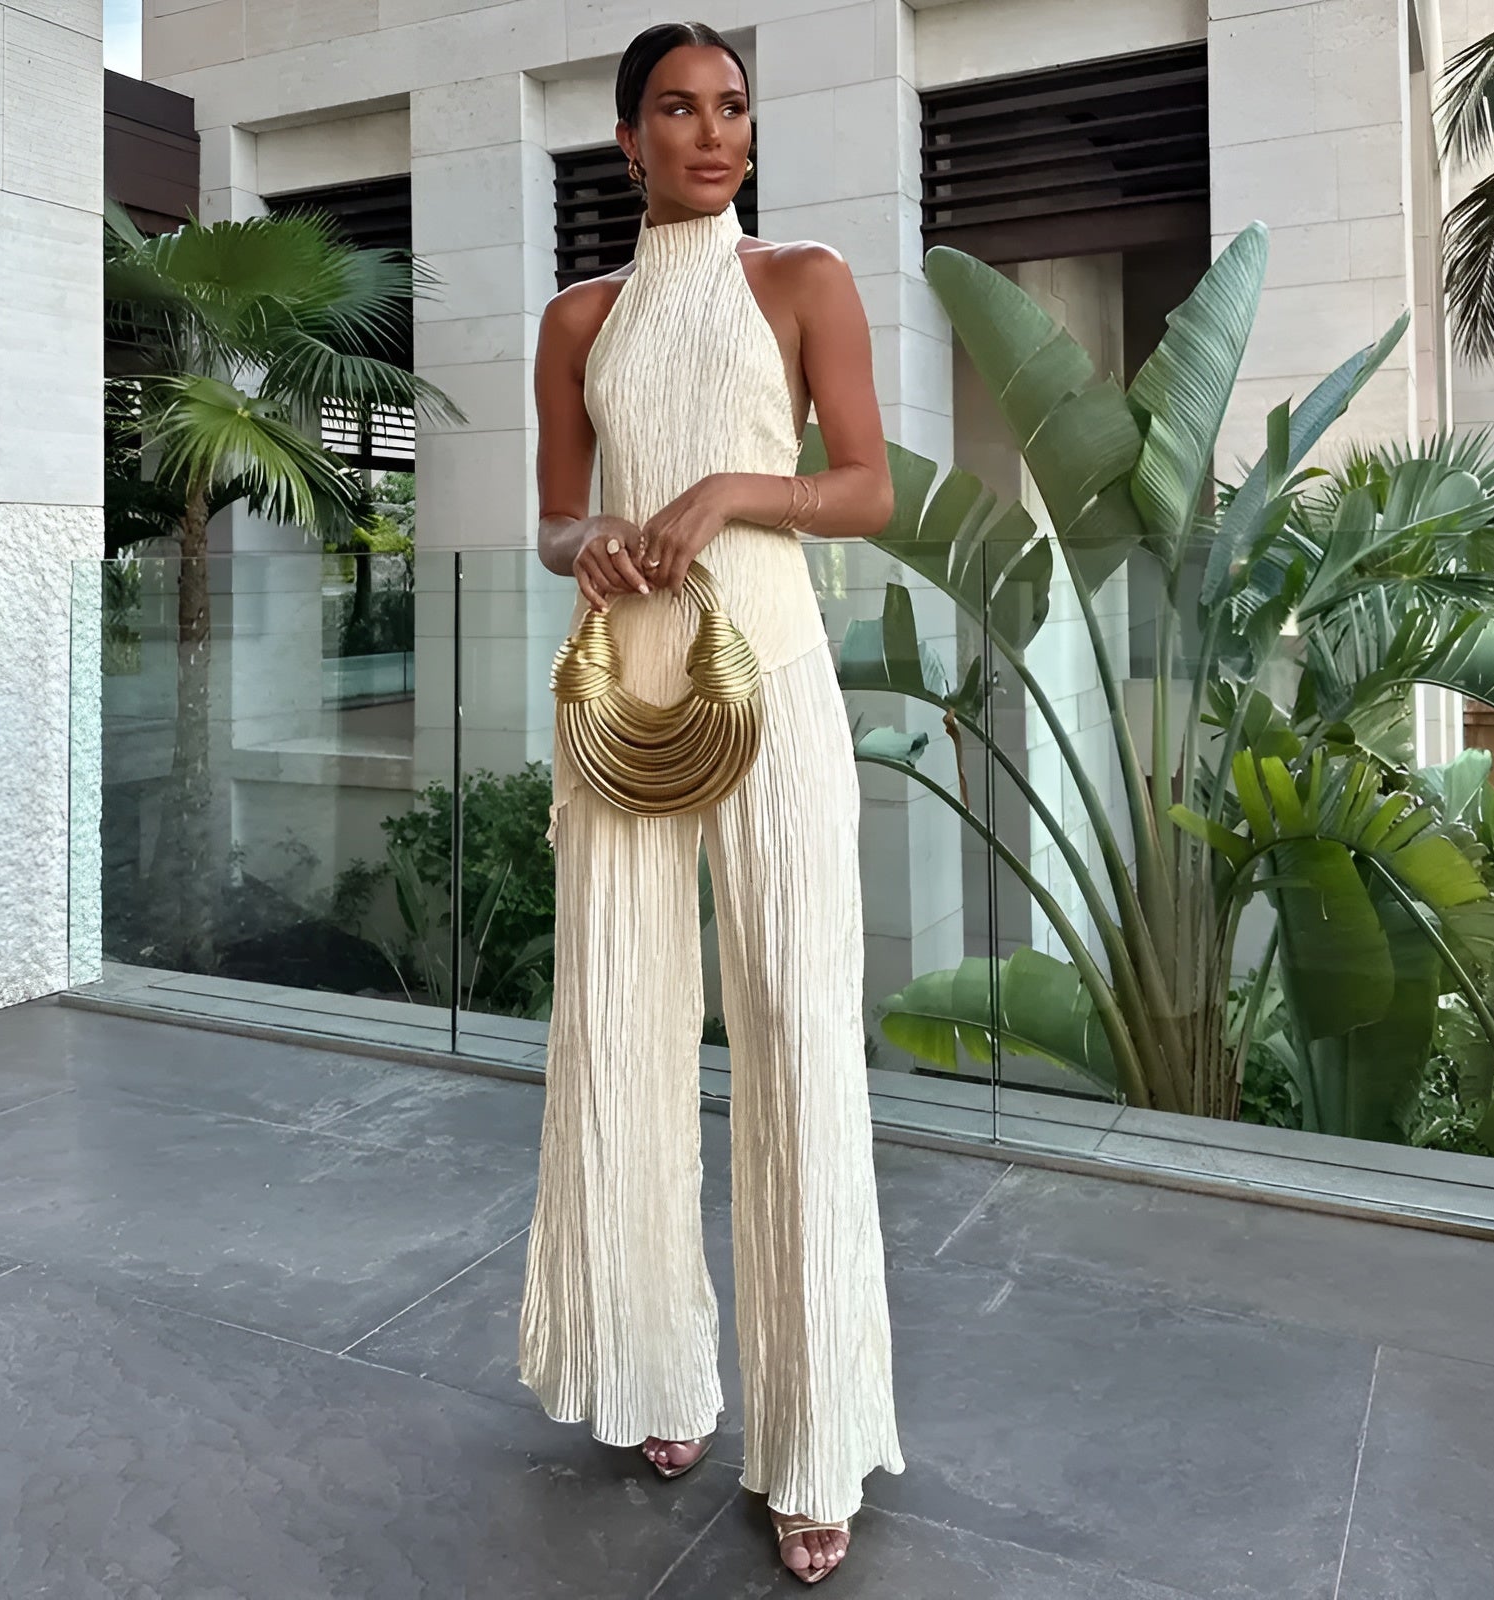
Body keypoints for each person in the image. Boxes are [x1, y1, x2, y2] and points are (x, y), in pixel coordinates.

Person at [516, 19, 906, 1585]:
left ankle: (814, 1439)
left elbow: (866, 486)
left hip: (777, 682)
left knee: (798, 1030)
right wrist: (595, 539)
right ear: (628, 142)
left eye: (732, 106)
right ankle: (654, 1370)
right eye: (677, 109)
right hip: (624, 694)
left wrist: (736, 488)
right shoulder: (578, 317)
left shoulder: (802, 279)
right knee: (620, 1021)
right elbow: (551, 518)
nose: (712, 131)